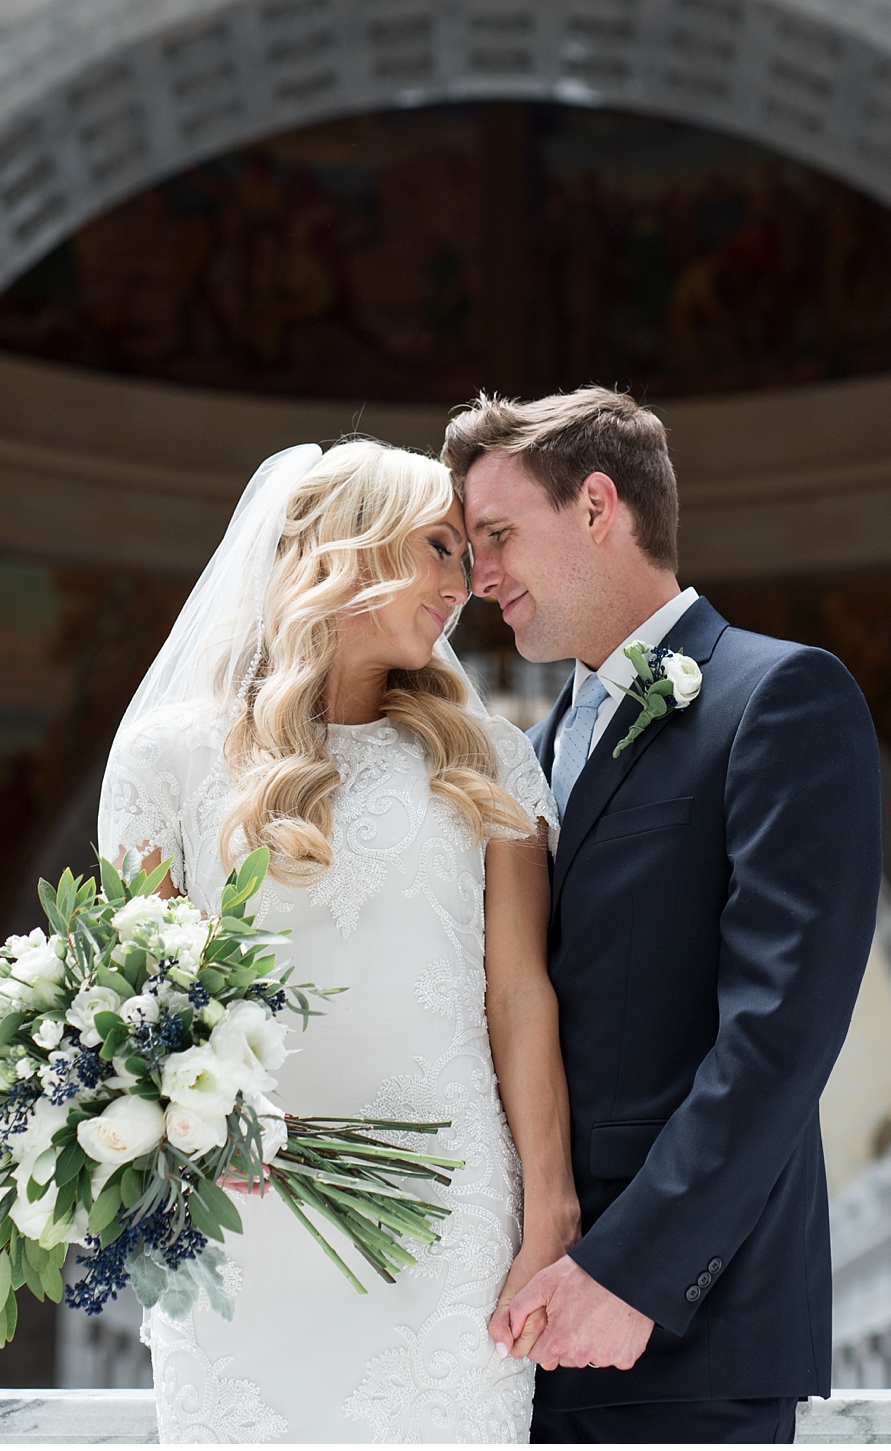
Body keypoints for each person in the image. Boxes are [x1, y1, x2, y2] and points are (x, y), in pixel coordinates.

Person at [99, 439, 573, 1443]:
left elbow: (520, 997)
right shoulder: (169, 755)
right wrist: (198, 1123)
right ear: (347, 549)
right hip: (239, 1220)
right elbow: (137, 1000)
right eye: (438, 549)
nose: (463, 585)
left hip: (450, 1216)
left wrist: (550, 1213)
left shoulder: (488, 759)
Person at [442, 387, 881, 1446]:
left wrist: (631, 1272)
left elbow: (780, 1032)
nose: (478, 577)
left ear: (597, 506)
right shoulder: (533, 753)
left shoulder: (779, 697)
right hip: (516, 1336)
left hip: (685, 1334)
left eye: (496, 536)